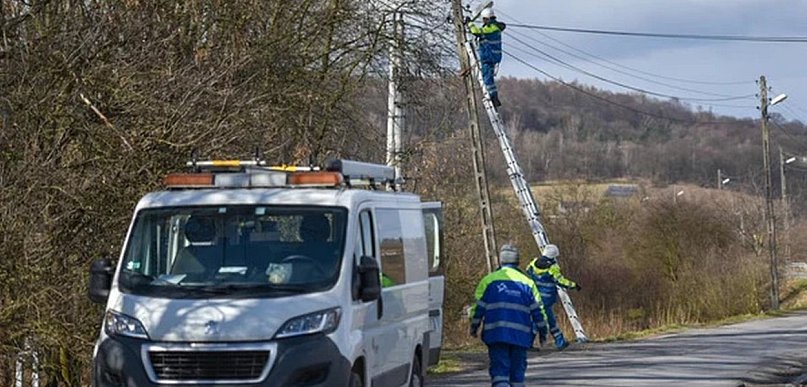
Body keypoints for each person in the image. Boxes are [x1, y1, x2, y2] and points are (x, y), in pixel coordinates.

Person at [470, 244, 548, 387]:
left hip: (496, 335)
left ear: (501, 261)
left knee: (500, 373)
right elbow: (538, 311)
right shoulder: (527, 283)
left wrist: (474, 327)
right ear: (517, 261)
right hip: (521, 337)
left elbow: (478, 308)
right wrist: (543, 331)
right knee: (517, 376)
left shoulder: (489, 281)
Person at [526, 244, 581, 350]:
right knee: (545, 320)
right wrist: (574, 285)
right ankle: (558, 342)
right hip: (547, 297)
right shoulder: (552, 267)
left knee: (540, 318)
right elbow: (560, 281)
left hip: (534, 296)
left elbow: (528, 270)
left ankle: (558, 341)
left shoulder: (533, 263)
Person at [466, 7, 506, 108]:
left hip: (489, 57)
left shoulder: (491, 28)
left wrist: (469, 23)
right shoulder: (494, 27)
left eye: (484, 19)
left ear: (487, 18)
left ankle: (493, 97)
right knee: (488, 78)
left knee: (487, 78)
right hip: (492, 56)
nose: (483, 21)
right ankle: (493, 97)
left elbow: (476, 31)